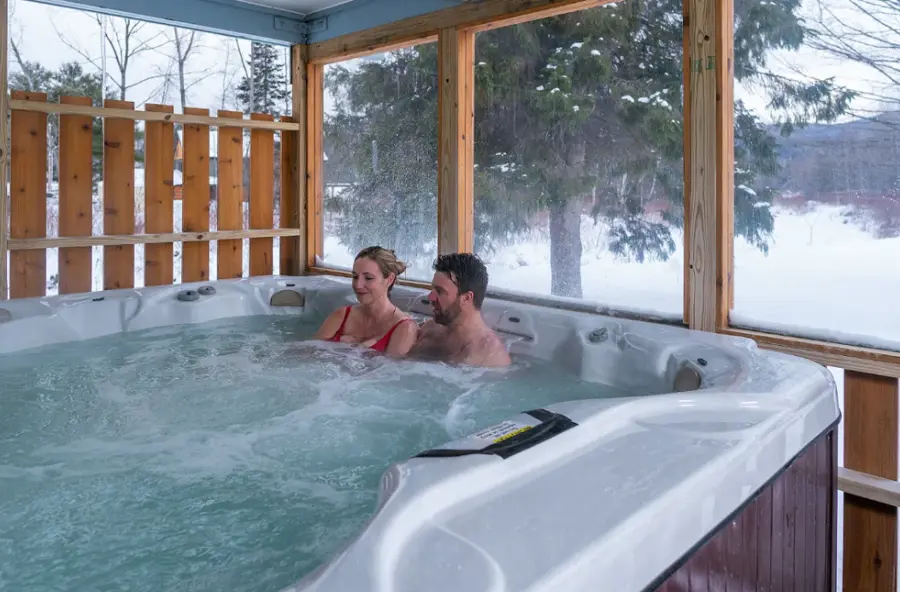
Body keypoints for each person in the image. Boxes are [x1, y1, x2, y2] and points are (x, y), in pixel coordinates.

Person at [408, 253, 511, 368]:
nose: (430, 297)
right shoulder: (430, 329)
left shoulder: (490, 357)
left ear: (466, 298)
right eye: (432, 289)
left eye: (440, 291)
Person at [313, 246, 419, 356]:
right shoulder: (341, 316)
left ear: (389, 279)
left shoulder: (405, 328)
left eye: (368, 278)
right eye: (355, 277)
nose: (358, 285)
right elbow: (309, 354)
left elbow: (392, 367)